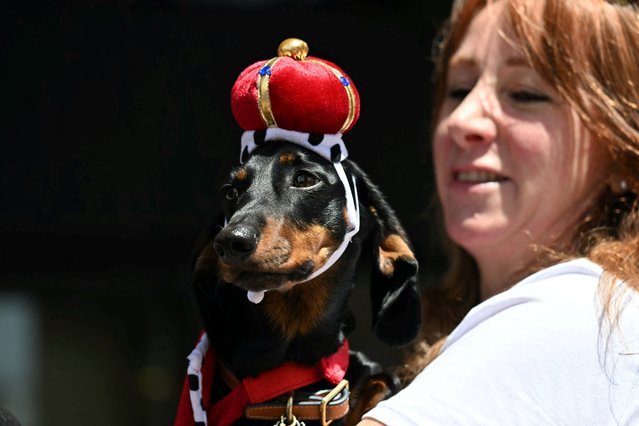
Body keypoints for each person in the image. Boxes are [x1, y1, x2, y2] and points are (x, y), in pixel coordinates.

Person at [359, 0, 639, 424]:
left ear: (622, 156)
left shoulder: (577, 315)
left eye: (525, 93)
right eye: (457, 90)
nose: (462, 119)